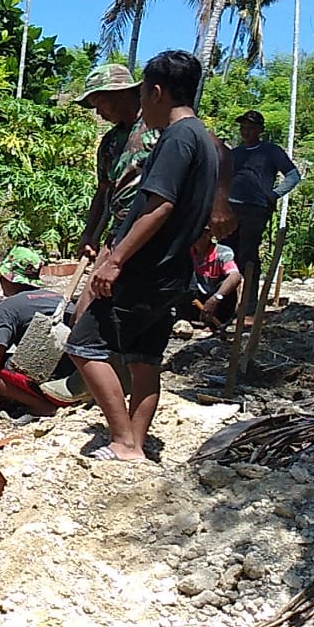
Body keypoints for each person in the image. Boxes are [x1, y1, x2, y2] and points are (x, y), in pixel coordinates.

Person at [64, 50, 220, 462]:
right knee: (145, 358)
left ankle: (122, 440)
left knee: (84, 344)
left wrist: (114, 260)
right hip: (171, 268)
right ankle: (135, 442)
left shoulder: (174, 138)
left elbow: (159, 205)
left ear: (153, 92)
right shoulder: (199, 136)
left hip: (145, 264)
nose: (98, 111)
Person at [0, 247, 78, 416]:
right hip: (77, 384)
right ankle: (16, 398)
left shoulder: (9, 307)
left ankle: (40, 405)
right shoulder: (60, 299)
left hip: (51, 390)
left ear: (7, 277)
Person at [73, 64, 162, 259]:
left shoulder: (158, 127)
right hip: (120, 231)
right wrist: (89, 235)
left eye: (101, 103)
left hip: (156, 230)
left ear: (122, 93)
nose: (98, 113)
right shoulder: (109, 143)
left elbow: (212, 147)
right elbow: (103, 190)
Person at [225, 110, 302, 317]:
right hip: (231, 208)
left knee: (248, 254)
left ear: (260, 130)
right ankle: (227, 304)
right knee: (227, 253)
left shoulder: (271, 151)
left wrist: (274, 195)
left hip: (257, 208)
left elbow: (293, 176)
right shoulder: (235, 153)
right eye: (243, 126)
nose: (246, 131)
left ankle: (249, 306)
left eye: (251, 127)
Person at [178, 228, 242, 328]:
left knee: (226, 287)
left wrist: (215, 298)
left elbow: (235, 276)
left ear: (209, 235)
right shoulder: (186, 253)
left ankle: (218, 321)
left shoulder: (222, 252)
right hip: (195, 300)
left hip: (218, 304)